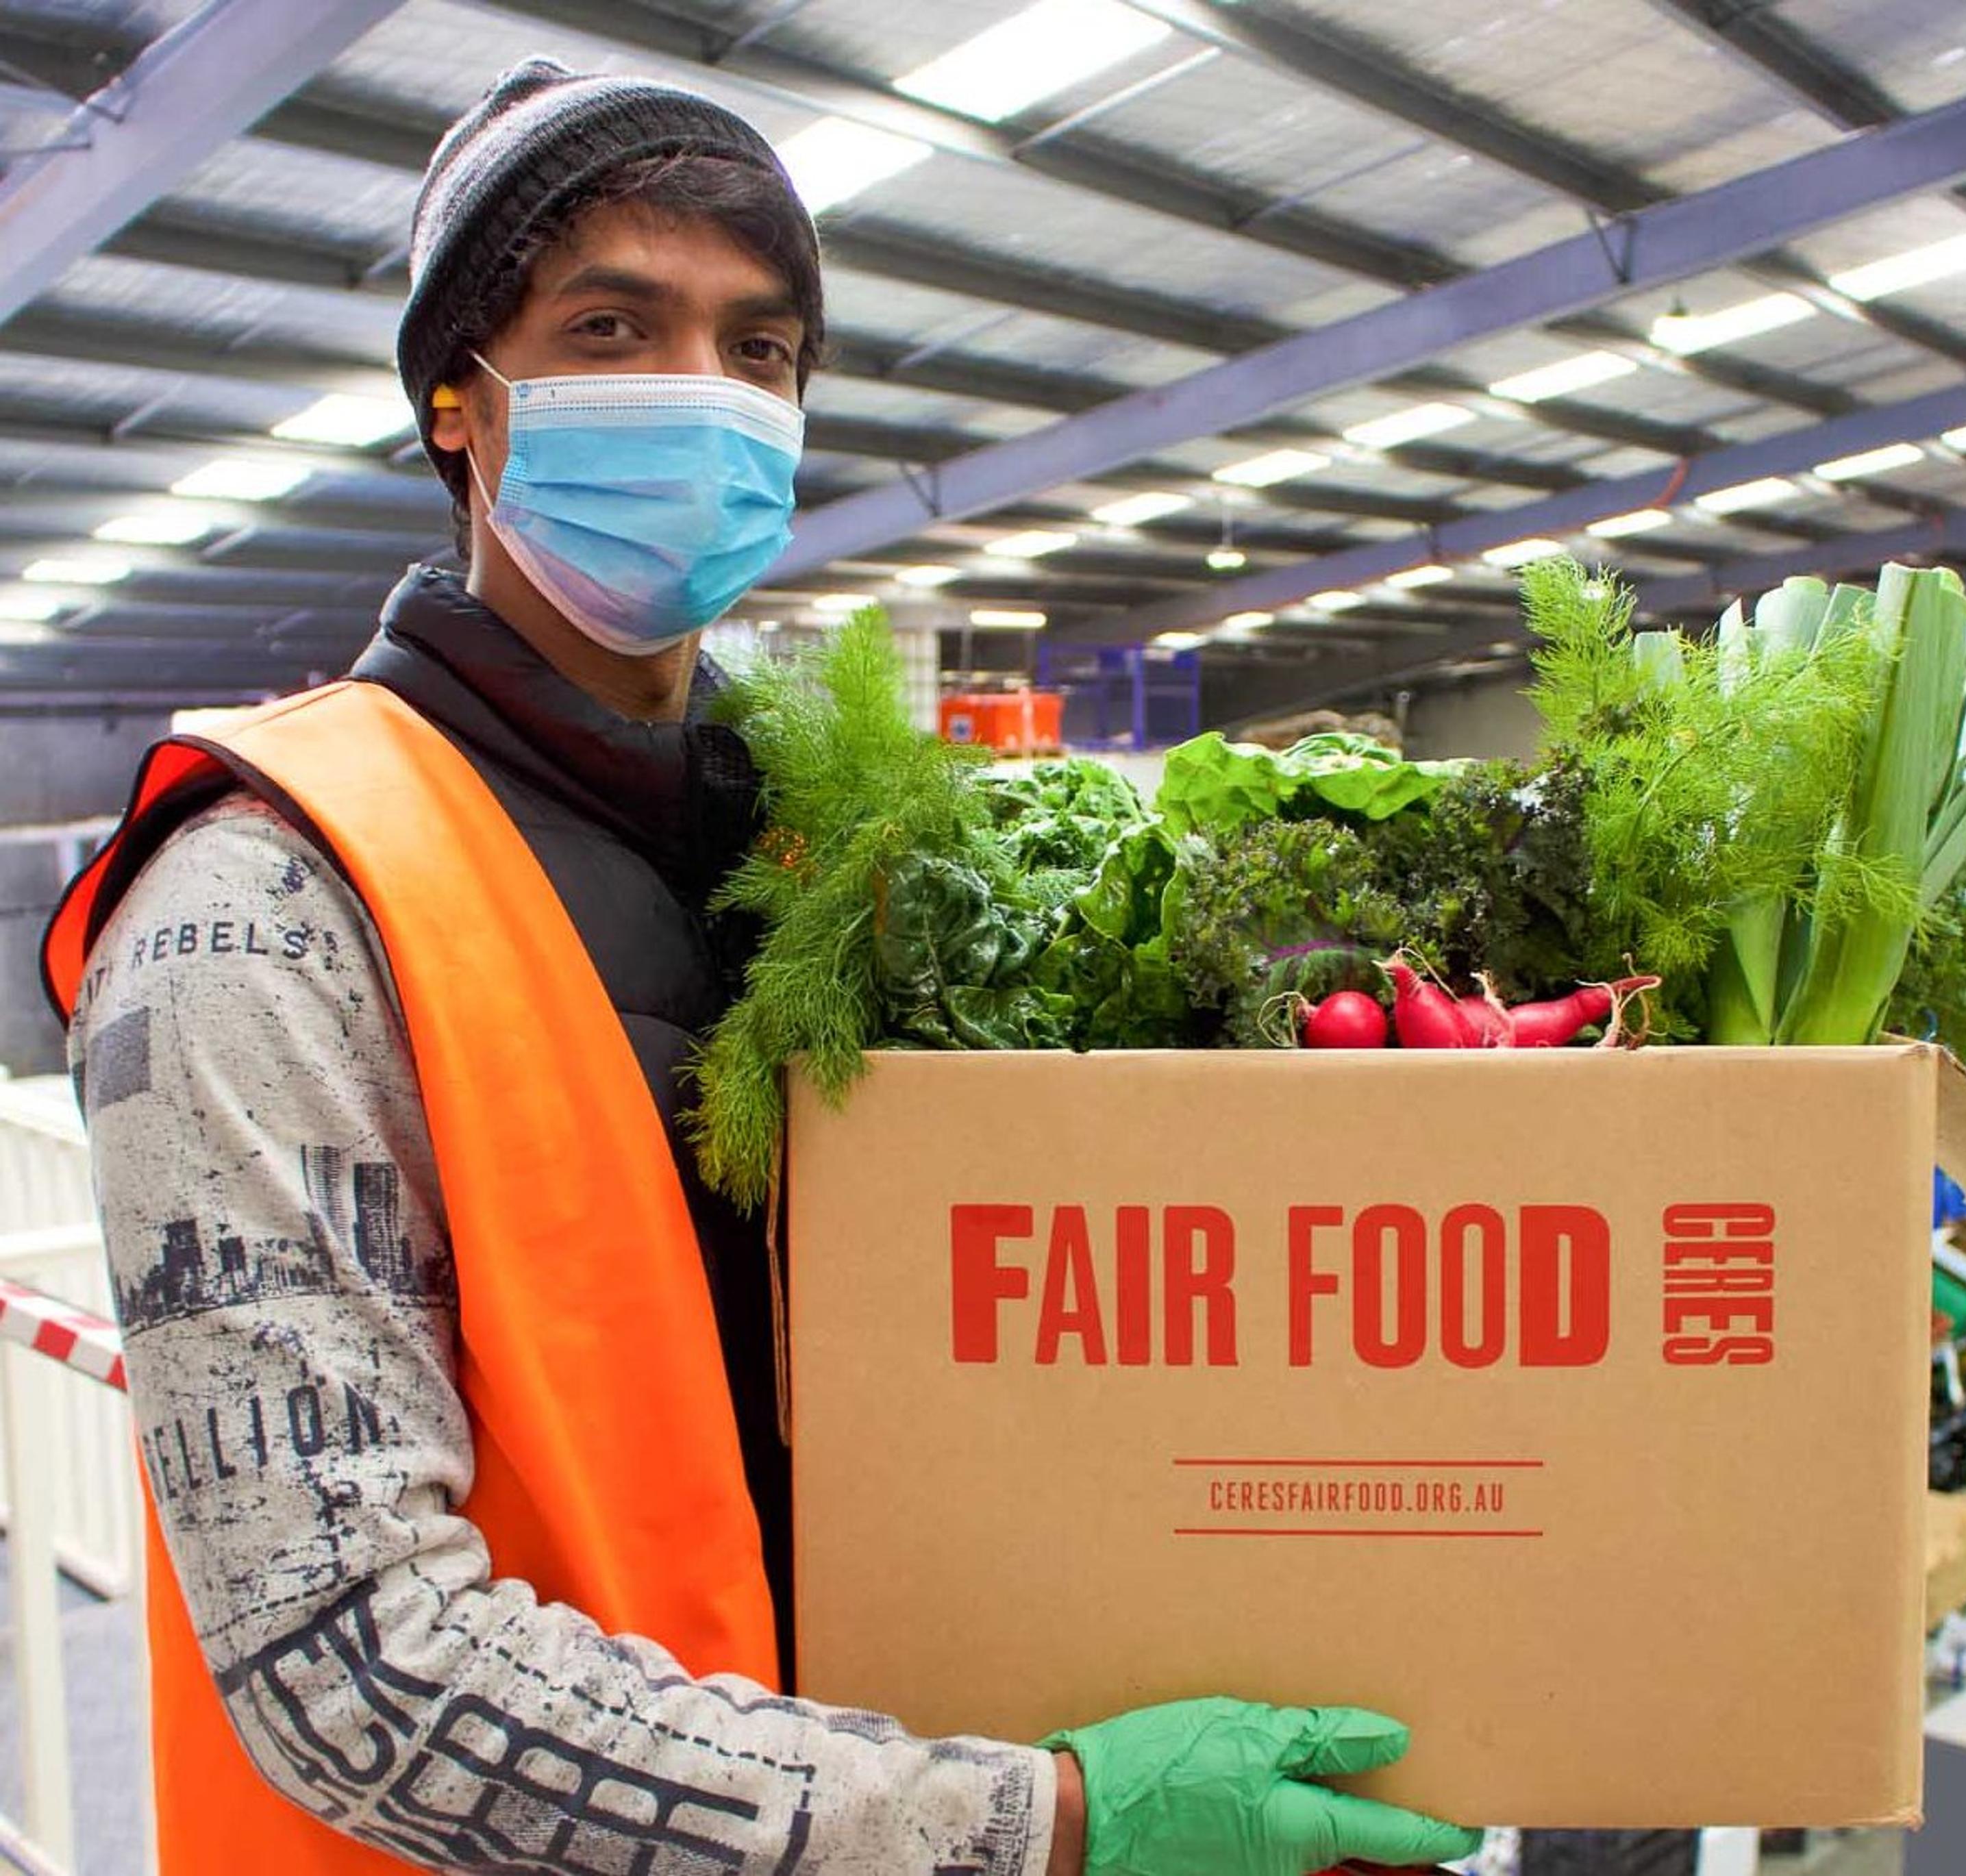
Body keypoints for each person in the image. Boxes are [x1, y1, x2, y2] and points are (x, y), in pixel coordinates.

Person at [45, 60, 1478, 1876]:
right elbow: (356, 1664)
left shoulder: (839, 855)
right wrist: (1038, 1821)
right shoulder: (265, 907)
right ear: (457, 405)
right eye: (613, 327)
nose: (703, 396)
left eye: (761, 349)